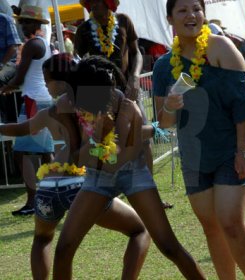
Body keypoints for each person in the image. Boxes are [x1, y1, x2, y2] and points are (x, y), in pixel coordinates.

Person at [52, 56, 206, 280]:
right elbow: (75, 158)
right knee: (64, 247)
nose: (108, 97)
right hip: (97, 177)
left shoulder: (127, 107)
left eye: (109, 91)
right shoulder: (70, 105)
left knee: (168, 246)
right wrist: (94, 140)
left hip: (132, 172)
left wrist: (101, 138)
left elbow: (125, 156)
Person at [0, 53, 151, 280]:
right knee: (140, 230)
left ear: (59, 81)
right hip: (80, 184)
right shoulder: (100, 101)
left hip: (48, 187)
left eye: (46, 79)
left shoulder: (52, 110)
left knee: (42, 240)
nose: (44, 84)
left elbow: (21, 129)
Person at [152, 0, 245, 279]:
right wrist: (169, 108)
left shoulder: (221, 48)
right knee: (211, 227)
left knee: (230, 222)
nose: (192, 15)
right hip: (195, 157)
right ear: (169, 19)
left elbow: (242, 106)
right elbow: (164, 123)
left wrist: (242, 150)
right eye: (183, 10)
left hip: (231, 148)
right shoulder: (164, 66)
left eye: (196, 9)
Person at [77, 0, 160, 205]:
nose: (95, 11)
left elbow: (136, 51)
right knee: (104, 140)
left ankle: (151, 193)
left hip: (127, 90)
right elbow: (81, 61)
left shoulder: (123, 21)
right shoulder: (84, 30)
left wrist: (134, 77)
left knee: (142, 138)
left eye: (99, 5)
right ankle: (109, 193)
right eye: (92, 7)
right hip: (100, 97)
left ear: (110, 5)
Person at [0, 5, 54, 216]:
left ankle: (33, 200)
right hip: (42, 99)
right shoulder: (43, 43)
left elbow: (20, 77)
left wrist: (5, 87)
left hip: (34, 101)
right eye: (21, 22)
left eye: (26, 22)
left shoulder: (32, 44)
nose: (22, 26)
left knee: (21, 153)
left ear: (37, 24)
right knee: (45, 152)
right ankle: (51, 193)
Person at [0, 5, 22, 123]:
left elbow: (14, 46)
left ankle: (5, 121)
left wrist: (1, 64)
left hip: (8, 63)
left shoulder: (5, 20)